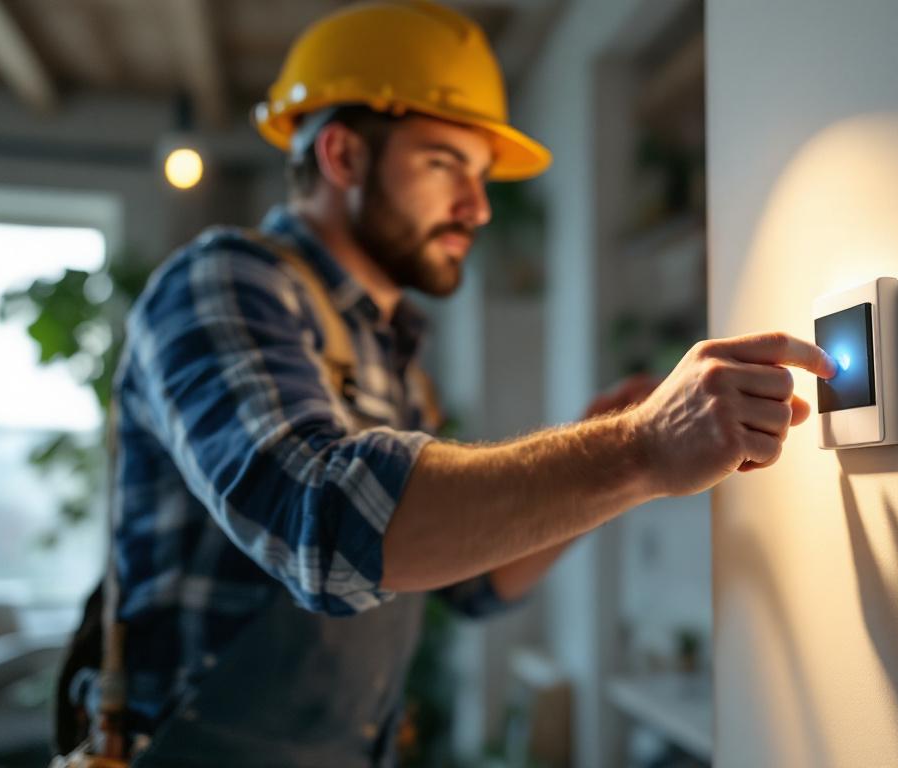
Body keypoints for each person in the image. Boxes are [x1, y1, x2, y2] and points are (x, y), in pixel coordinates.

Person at [68, 1, 836, 765]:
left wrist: (620, 461)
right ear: (343, 156)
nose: (476, 206)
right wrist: (638, 449)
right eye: (444, 164)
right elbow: (326, 528)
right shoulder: (223, 281)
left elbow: (474, 583)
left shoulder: (384, 347)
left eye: (480, 175)